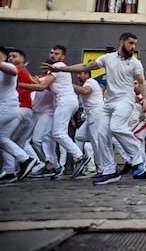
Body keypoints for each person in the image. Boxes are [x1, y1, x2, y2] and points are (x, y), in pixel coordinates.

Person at [41, 33, 146, 185]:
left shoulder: (136, 63)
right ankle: (109, 170)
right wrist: (60, 69)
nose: (133, 47)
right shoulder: (108, 58)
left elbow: (142, 82)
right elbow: (85, 66)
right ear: (121, 42)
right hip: (108, 103)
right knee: (100, 135)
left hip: (125, 101)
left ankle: (137, 161)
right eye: (131, 43)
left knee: (117, 128)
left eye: (135, 44)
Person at [18, 45, 91, 179]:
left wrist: (20, 84)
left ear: (62, 57)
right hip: (65, 102)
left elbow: (41, 87)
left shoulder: (58, 66)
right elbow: (42, 84)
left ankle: (79, 157)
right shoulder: (56, 69)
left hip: (65, 102)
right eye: (51, 53)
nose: (52, 55)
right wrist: (29, 76)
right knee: (47, 136)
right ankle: (51, 165)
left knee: (58, 133)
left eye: (56, 53)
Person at [0, 46, 37, 183]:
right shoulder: (21, 71)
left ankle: (20, 164)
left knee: (9, 139)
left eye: (14, 56)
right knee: (5, 138)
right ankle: (18, 165)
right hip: (20, 109)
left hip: (17, 108)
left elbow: (13, 70)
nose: (11, 58)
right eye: (10, 56)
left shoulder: (13, 69)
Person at [73, 70, 104, 177]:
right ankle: (82, 158)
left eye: (79, 74)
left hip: (96, 113)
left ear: (87, 74)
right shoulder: (89, 82)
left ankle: (101, 168)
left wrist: (70, 85)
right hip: (90, 115)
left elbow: (85, 91)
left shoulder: (90, 82)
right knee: (79, 136)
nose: (78, 76)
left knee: (95, 140)